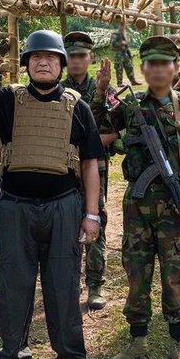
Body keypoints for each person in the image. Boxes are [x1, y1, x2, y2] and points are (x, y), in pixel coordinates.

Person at [0, 25, 104, 359]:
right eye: (36, 57)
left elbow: (89, 165)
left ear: (62, 65)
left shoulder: (78, 106)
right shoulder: (9, 99)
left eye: (51, 58)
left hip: (63, 206)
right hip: (15, 207)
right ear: (26, 64)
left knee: (63, 286)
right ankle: (12, 355)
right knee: (14, 284)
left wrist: (91, 214)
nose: (43, 63)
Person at [97, 36, 180, 359]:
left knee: (175, 276)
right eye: (151, 64)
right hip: (138, 208)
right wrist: (100, 92)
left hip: (177, 208)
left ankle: (177, 344)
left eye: (165, 63)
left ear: (175, 68)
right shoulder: (132, 106)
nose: (158, 70)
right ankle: (136, 341)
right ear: (143, 69)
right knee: (136, 274)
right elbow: (100, 130)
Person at [64, 30, 118, 310]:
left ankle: (95, 284)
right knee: (66, 218)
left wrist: (88, 143)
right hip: (64, 165)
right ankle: (70, 280)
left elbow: (116, 132)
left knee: (95, 216)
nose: (76, 61)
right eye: (71, 55)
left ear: (90, 57)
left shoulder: (106, 91)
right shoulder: (56, 89)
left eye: (81, 55)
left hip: (95, 166)